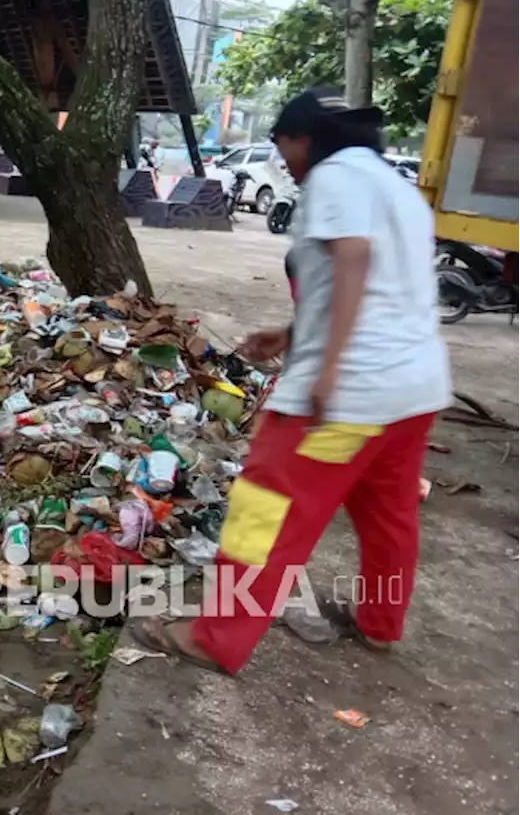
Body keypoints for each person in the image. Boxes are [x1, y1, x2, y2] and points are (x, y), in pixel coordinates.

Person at [130, 86, 452, 675]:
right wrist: (291, 330)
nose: (284, 162)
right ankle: (381, 625)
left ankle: (214, 636)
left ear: (304, 138)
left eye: (282, 146)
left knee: (264, 508)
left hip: (348, 396)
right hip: (413, 392)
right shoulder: (397, 188)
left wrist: (328, 367)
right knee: (389, 514)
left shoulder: (333, 178)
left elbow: (353, 258)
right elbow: (371, 284)